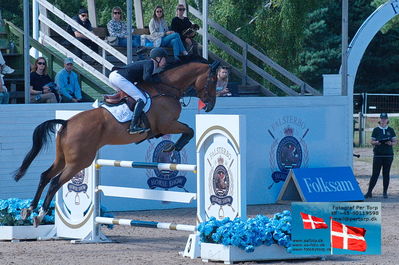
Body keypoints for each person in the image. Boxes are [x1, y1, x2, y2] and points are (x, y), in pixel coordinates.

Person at [108, 47, 167, 134]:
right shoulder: (150, 63)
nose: (166, 61)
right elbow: (146, 78)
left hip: (115, 76)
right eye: (164, 58)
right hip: (119, 77)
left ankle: (130, 119)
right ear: (158, 58)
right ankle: (133, 126)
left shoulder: (151, 65)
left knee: (132, 99)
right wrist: (159, 81)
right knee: (142, 98)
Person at [365, 113, 397, 199]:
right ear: (380, 119)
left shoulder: (391, 130)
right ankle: (369, 192)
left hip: (388, 155)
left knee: (386, 174)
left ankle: (385, 192)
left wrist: (390, 143)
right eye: (382, 118)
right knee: (375, 174)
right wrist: (376, 142)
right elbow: (372, 141)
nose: (383, 120)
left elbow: (395, 142)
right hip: (378, 155)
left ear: (387, 120)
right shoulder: (376, 130)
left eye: (385, 118)